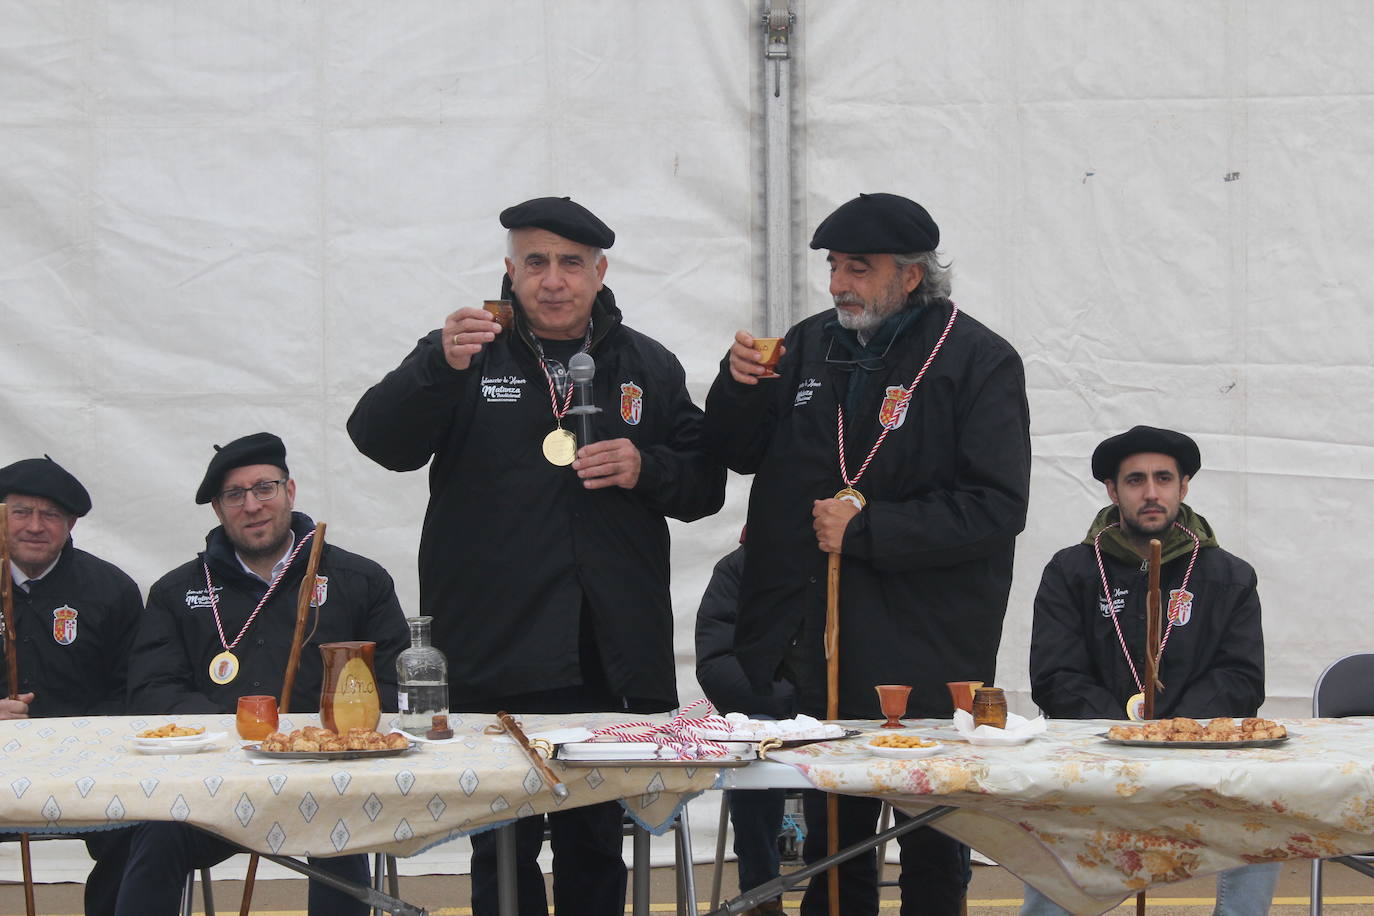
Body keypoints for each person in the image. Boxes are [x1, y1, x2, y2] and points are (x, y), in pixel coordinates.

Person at [348, 196, 726, 915]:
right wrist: (435, 364)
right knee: (503, 849)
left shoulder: (647, 361)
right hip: (496, 649)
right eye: (537, 263)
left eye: (571, 264)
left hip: (607, 654)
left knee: (594, 848)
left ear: (600, 271)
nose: (554, 280)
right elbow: (377, 440)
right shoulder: (464, 348)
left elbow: (706, 483)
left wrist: (648, 467)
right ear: (510, 270)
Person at [704, 192, 1032, 916]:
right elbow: (736, 451)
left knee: (930, 847)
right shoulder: (809, 344)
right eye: (833, 267)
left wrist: (871, 530)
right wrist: (734, 388)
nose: (837, 284)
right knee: (831, 850)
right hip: (817, 651)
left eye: (859, 268)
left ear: (911, 276)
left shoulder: (978, 360)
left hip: (928, 651)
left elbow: (997, 507)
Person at [120, 432, 409, 916]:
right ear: (218, 510)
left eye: (264, 488)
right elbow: (153, 691)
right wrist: (236, 731)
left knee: (343, 835)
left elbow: (394, 682)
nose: (252, 505)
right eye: (234, 495)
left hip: (331, 780)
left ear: (289, 492)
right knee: (155, 831)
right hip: (212, 785)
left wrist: (327, 737)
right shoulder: (176, 591)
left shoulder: (360, 580)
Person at [1024, 426, 1279, 914]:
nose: (1151, 492)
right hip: (1095, 756)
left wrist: (1171, 730)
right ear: (1112, 490)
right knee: (1050, 819)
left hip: (1198, 757)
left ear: (1184, 487)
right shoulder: (1071, 570)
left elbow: (1242, 678)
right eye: (1135, 480)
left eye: (1164, 478)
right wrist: (1123, 730)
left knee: (1263, 814)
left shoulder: (1229, 575)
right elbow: (1055, 676)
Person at [0, 456, 143, 916]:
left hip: (91, 767)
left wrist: (77, 734)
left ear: (71, 523)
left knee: (146, 830)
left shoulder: (110, 589)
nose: (35, 526)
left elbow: (134, 690)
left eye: (51, 515)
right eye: (21, 512)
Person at [695, 535, 794, 915]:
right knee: (750, 749)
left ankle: (836, 886)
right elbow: (717, 664)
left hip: (839, 712)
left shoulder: (853, 562)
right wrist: (791, 703)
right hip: (766, 708)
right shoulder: (739, 569)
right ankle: (761, 893)